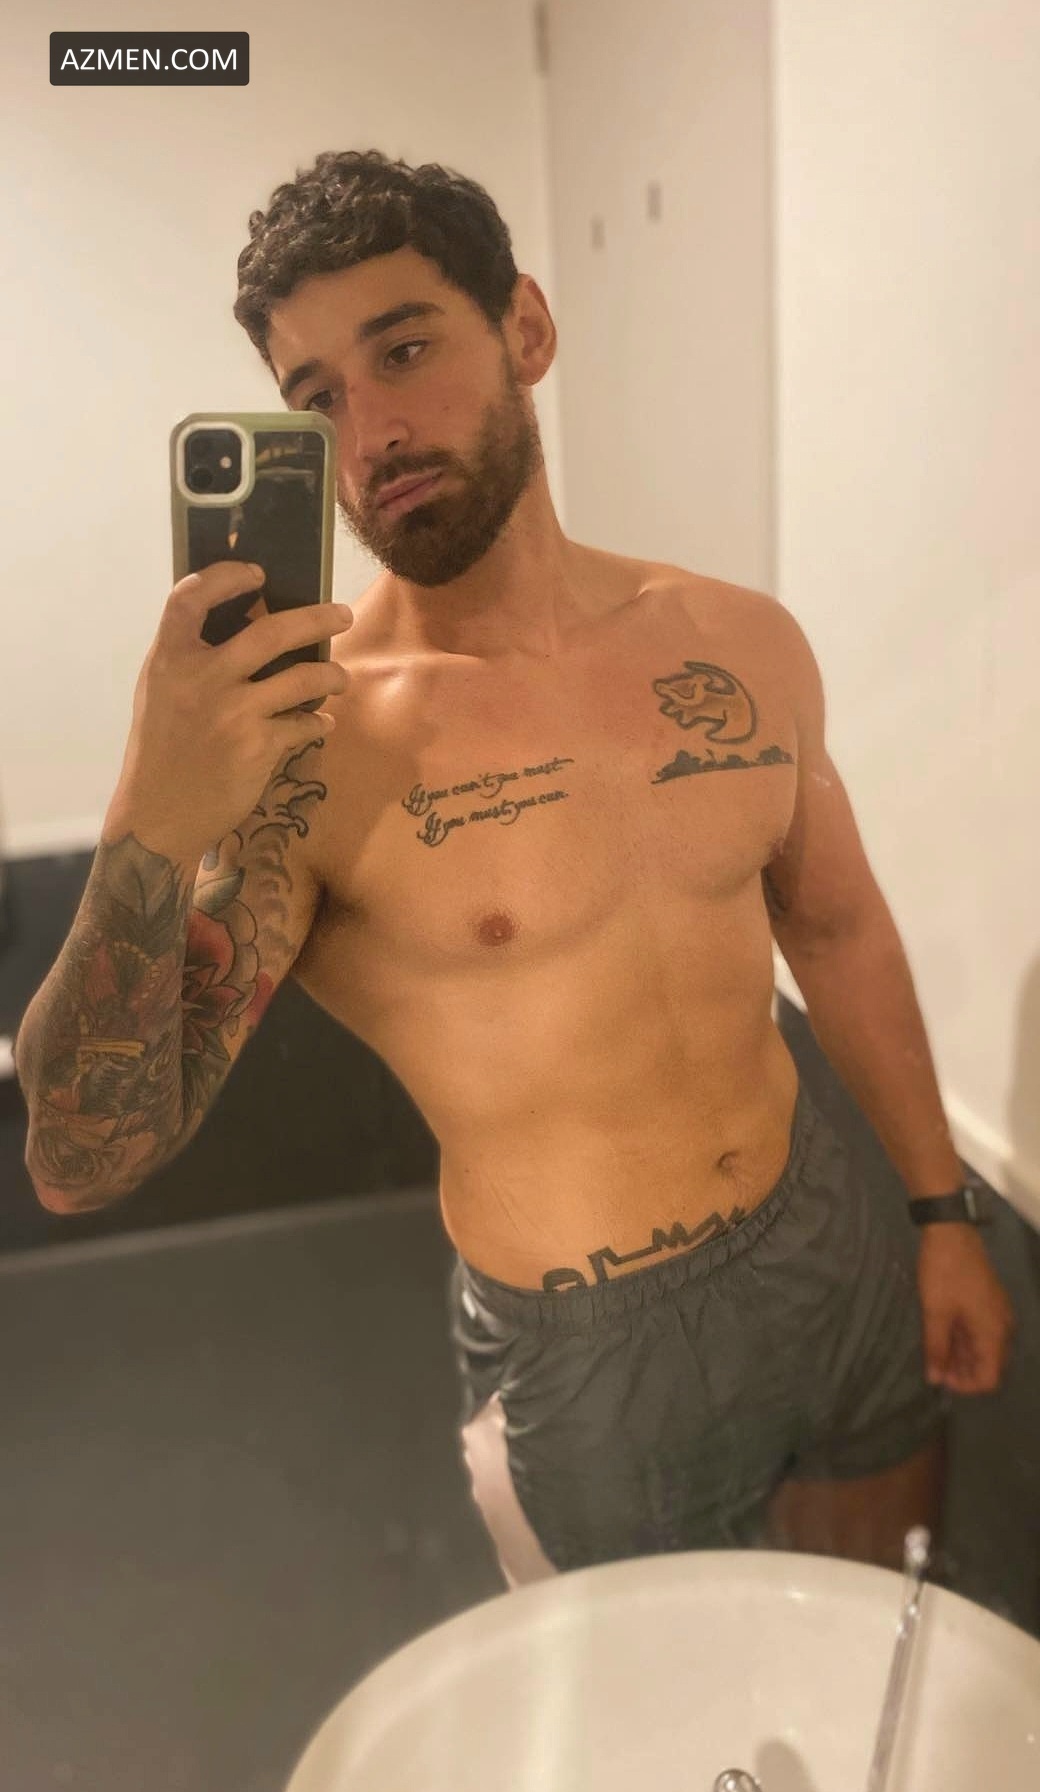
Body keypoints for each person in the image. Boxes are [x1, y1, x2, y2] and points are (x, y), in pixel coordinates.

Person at [16, 151, 1014, 1586]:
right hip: (588, 1354)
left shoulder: (737, 641)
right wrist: (150, 822)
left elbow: (839, 927)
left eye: (404, 349)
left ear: (526, 329)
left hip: (823, 1232)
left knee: (880, 1632)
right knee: (652, 1692)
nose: (371, 433)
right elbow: (75, 1161)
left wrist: (939, 1214)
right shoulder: (313, 751)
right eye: (316, 399)